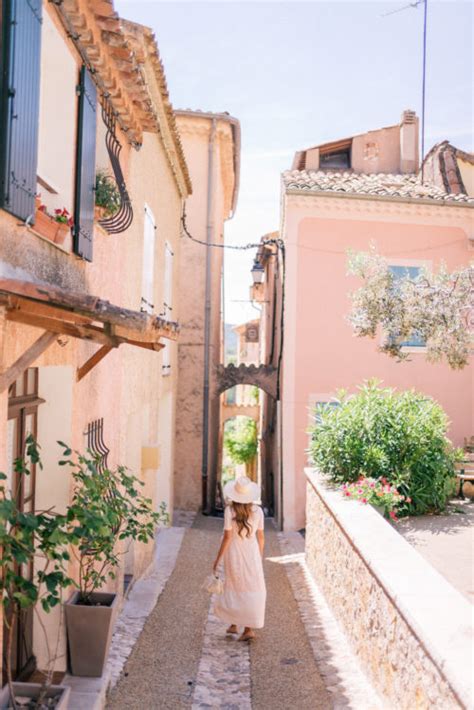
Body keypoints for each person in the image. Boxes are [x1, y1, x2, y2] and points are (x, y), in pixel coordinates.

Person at [213, 476, 266, 642]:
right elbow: (261, 537)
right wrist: (259, 555)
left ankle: (234, 624)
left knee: (234, 585)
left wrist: (217, 559)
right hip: (252, 553)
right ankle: (247, 628)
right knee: (251, 587)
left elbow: (227, 537)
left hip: (234, 553)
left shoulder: (230, 511)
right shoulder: (258, 512)